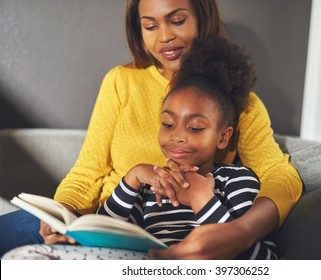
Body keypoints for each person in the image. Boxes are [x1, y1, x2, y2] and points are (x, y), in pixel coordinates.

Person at [0, 0, 302, 259]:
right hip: (109, 224)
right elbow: (86, 173)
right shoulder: (121, 82)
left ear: (202, 17)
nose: (165, 37)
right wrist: (60, 214)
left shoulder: (237, 101)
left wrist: (241, 232)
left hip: (179, 235)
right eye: (150, 26)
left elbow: (279, 176)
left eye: (178, 20)